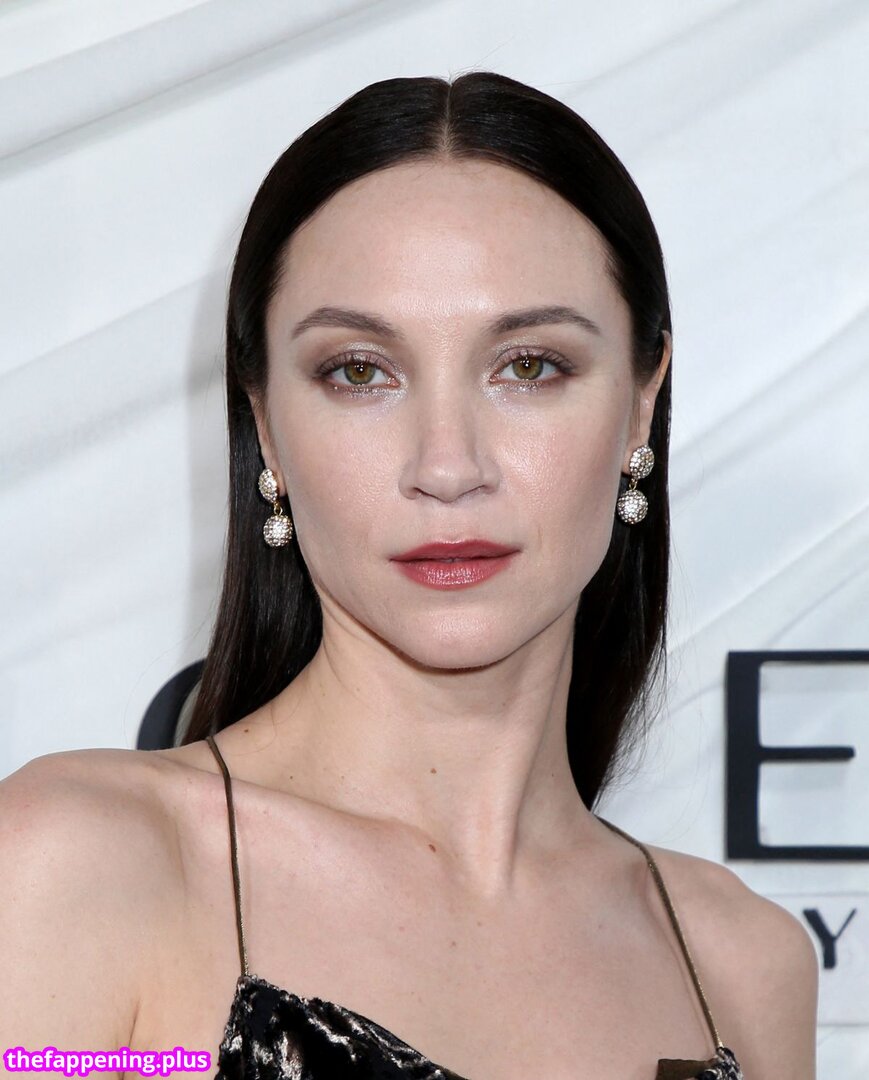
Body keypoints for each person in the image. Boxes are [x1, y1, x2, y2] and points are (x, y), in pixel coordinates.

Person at [0, 72, 818, 1080]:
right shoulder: (79, 869)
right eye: (359, 371)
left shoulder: (740, 966)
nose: (446, 466)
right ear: (265, 425)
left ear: (640, 404)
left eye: (529, 366)